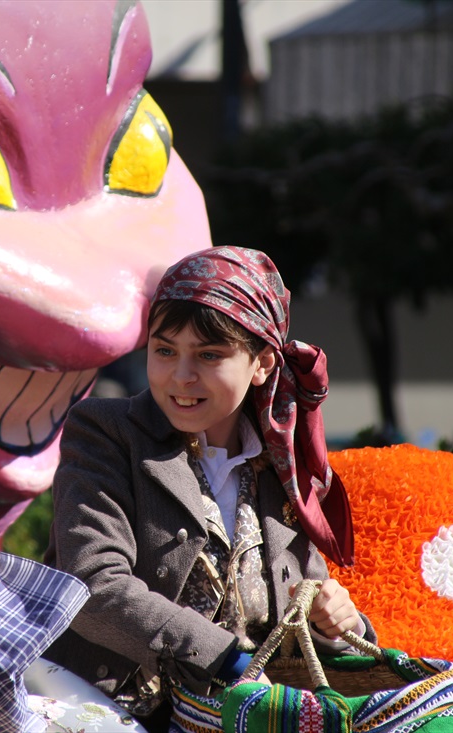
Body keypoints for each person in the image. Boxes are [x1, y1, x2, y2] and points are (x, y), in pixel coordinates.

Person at [45, 246, 376, 730]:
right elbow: (92, 586)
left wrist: (339, 625)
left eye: (209, 354)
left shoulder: (282, 461)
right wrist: (228, 662)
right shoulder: (106, 432)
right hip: (112, 711)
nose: (181, 376)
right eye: (164, 350)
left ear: (262, 364)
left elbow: (305, 596)